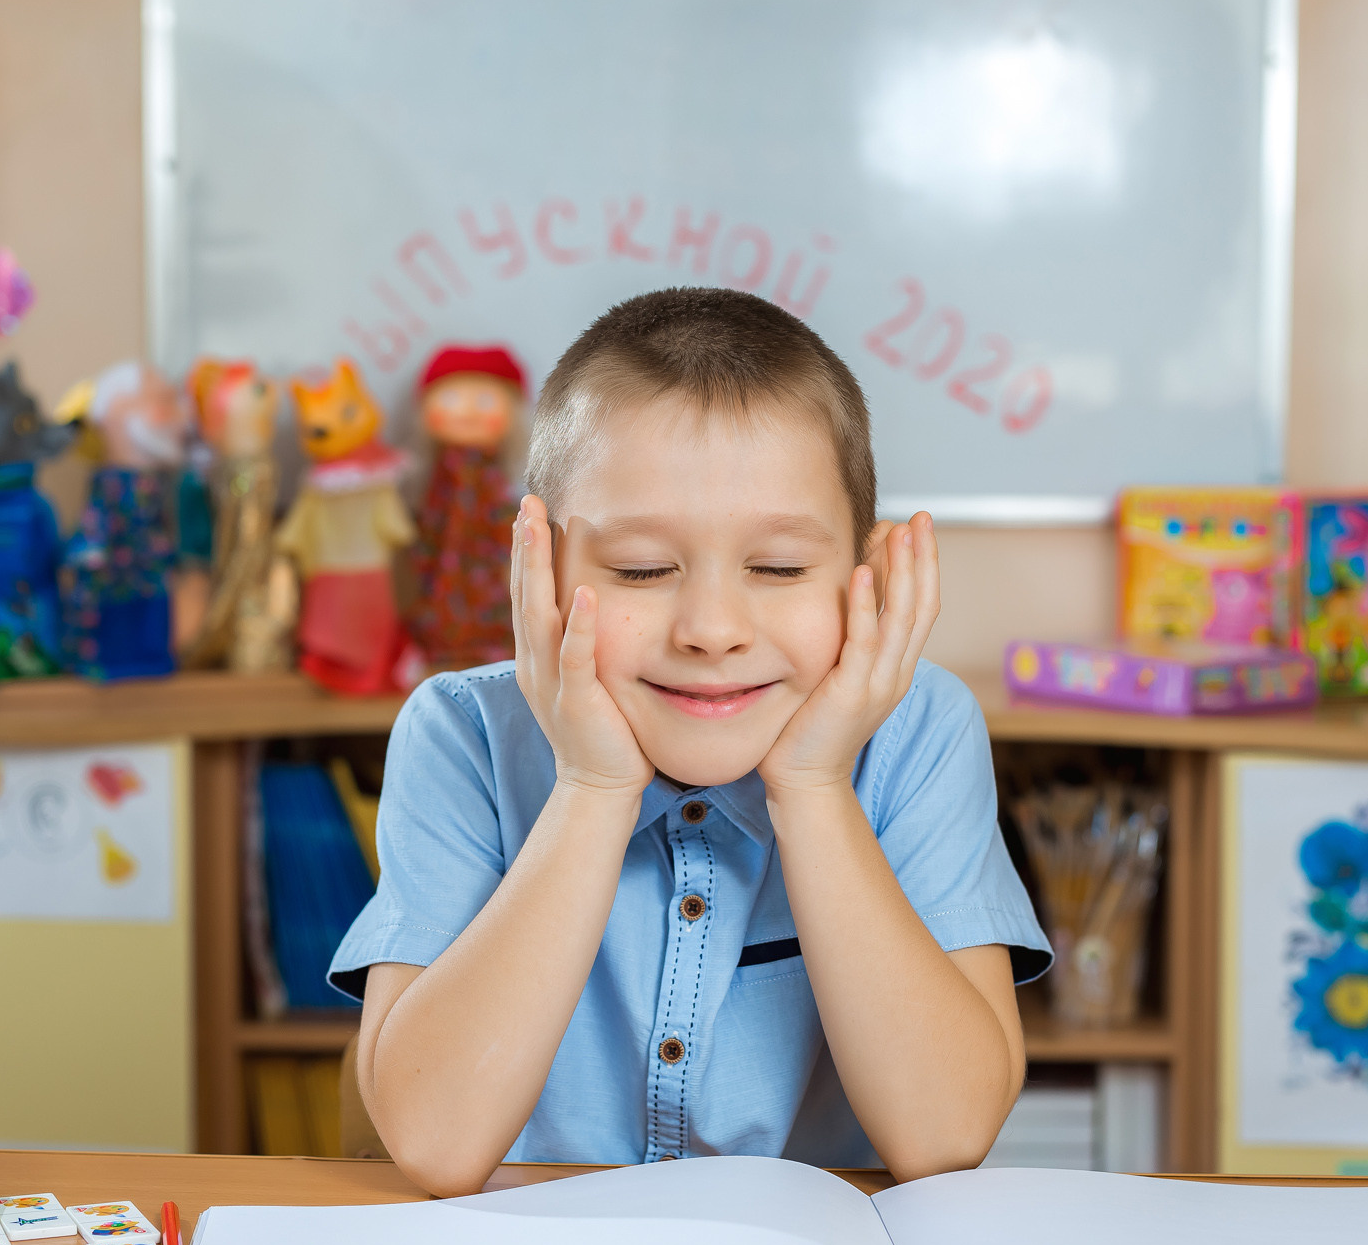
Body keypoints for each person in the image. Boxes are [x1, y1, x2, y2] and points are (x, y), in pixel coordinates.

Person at [330, 287, 1051, 1196]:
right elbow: (436, 1142)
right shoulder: (461, 735)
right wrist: (593, 787)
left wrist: (816, 787)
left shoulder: (921, 734)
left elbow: (946, 1138)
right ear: (540, 570)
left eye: (779, 568)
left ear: (867, 580)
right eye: (643, 569)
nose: (713, 628)